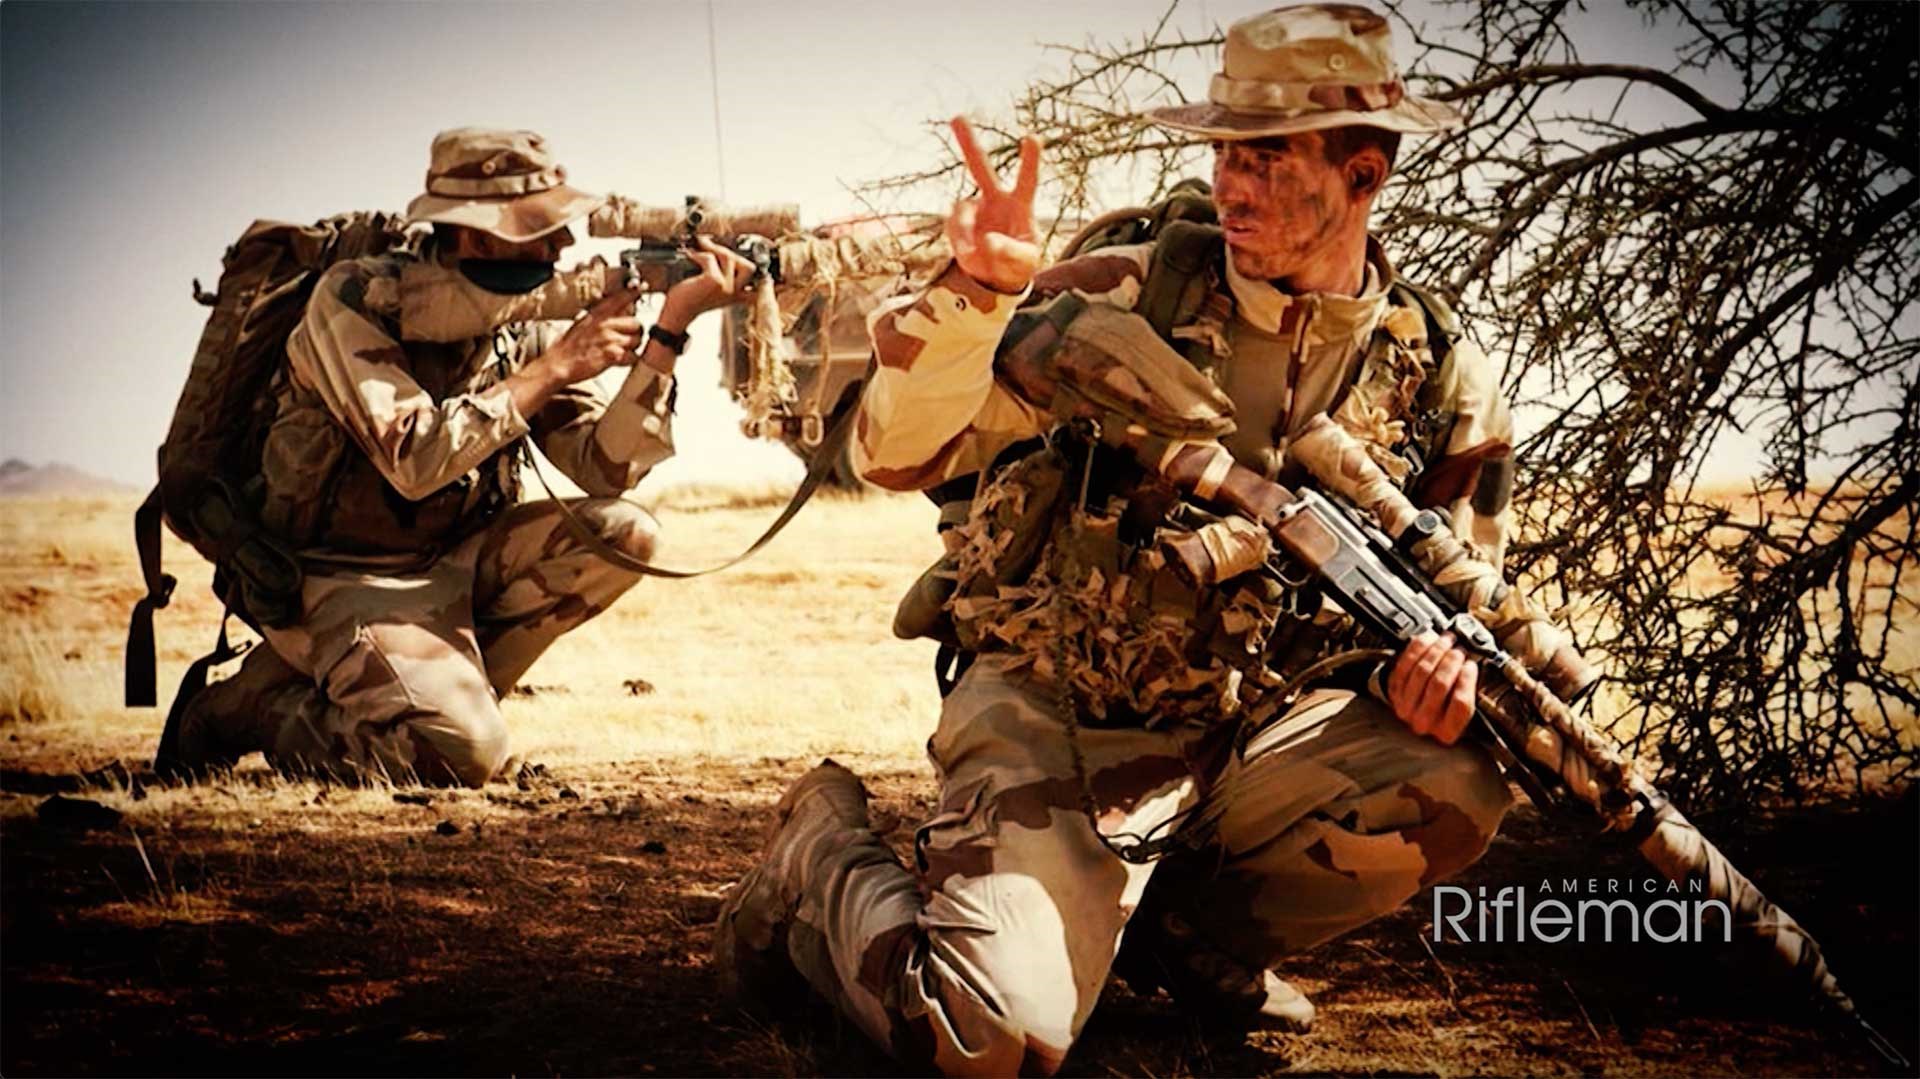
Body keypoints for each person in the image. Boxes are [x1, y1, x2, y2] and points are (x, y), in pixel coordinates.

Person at [715, 6, 1521, 1074]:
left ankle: (1176, 940)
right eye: (1225, 150)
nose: (1233, 182)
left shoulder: (1438, 376)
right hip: (1057, 708)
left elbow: (1464, 590)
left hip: (1241, 735)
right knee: (988, 1040)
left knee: (1463, 773)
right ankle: (818, 851)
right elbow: (893, 448)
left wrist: (1434, 679)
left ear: (1362, 175)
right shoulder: (1132, 288)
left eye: (1268, 157)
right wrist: (976, 298)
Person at [161, 127, 757, 787]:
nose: (565, 244)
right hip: (335, 577)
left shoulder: (525, 315)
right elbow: (414, 460)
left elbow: (603, 468)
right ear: (473, 236)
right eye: (540, 227)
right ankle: (255, 708)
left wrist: (668, 333)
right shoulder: (356, 298)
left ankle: (425, 694)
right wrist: (558, 365)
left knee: (625, 535)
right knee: (460, 757)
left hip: (453, 562)